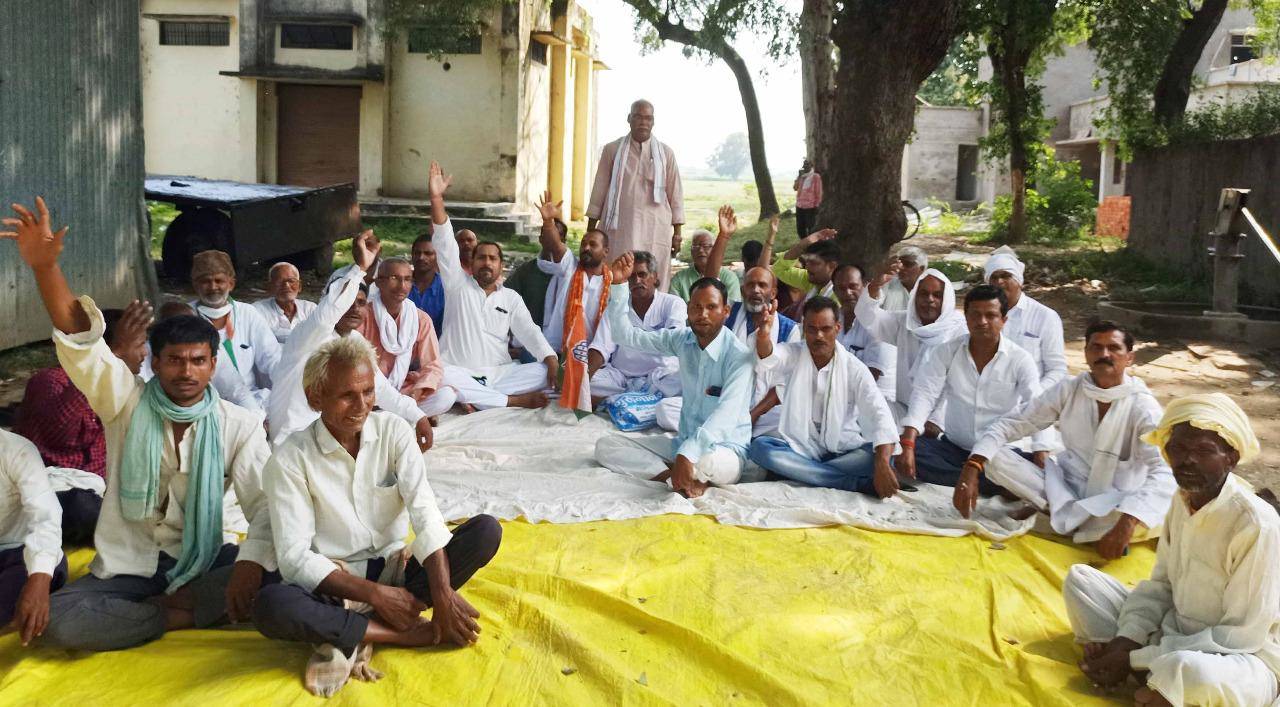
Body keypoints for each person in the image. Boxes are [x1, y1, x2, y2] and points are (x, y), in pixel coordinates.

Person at [3, 198, 275, 652]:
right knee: (63, 621)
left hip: (204, 560)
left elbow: (265, 507)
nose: (185, 372)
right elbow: (83, 346)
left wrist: (249, 563)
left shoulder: (239, 425)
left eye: (197, 362)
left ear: (212, 366)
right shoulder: (125, 402)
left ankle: (167, 610)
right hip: (128, 569)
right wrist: (44, 269)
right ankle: (175, 615)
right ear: (155, 362)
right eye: (174, 361)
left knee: (285, 568)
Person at [254, 336, 501, 697]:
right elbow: (294, 558)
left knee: (485, 531)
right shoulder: (290, 459)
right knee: (271, 605)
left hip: (396, 570)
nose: (361, 405)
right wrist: (378, 596)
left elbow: (425, 513)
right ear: (315, 398)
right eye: (346, 395)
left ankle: (357, 626)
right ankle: (399, 631)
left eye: (368, 391)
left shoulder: (394, 432)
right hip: (336, 584)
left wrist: (443, 593)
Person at [1063, 394, 1280, 707]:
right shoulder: (1182, 501)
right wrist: (1127, 640)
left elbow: (1240, 637)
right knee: (1080, 581)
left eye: (1204, 451)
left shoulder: (1256, 525)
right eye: (1178, 449)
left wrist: (1135, 656)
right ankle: (1151, 680)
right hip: (1169, 635)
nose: (1187, 460)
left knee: (1188, 670)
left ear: (1231, 458)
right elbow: (1161, 585)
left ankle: (1148, 676)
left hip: (1241, 659)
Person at [965, 322, 1175, 558]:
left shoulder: (1143, 407)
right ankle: (1072, 522)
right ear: (1086, 353)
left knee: (1155, 513)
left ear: (1129, 358)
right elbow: (1011, 424)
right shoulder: (1069, 389)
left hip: (1115, 503)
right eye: (1096, 347)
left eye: (1113, 348)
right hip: (1066, 490)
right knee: (994, 456)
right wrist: (972, 468)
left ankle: (1066, 521)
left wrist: (1127, 523)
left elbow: (1165, 472)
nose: (1104, 355)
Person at [595, 253, 753, 497]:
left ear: (726, 311)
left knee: (706, 462)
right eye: (697, 307)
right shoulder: (682, 340)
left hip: (724, 451)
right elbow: (626, 336)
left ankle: (685, 472)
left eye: (712, 307)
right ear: (688, 309)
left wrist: (687, 454)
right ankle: (672, 478)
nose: (703, 314)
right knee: (607, 446)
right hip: (682, 443)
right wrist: (617, 286)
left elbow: (725, 417)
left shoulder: (738, 357)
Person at [267, 231, 440, 449]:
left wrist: (418, 417)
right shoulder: (308, 335)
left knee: (393, 432)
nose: (354, 308)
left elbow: (382, 390)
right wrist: (359, 269)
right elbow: (327, 315)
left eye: (360, 302)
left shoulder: (356, 341)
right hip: (294, 441)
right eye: (348, 301)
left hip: (333, 436)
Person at [14, 304, 151, 546]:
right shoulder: (49, 381)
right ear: (108, 350)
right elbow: (64, 434)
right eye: (139, 345)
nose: (144, 354)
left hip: (99, 494)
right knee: (84, 509)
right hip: (55, 492)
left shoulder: (129, 388)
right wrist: (113, 357)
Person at [894, 285, 1050, 498]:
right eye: (975, 315)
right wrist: (908, 443)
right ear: (966, 318)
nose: (982, 321)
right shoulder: (946, 351)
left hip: (998, 455)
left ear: (1004, 320)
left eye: (991, 315)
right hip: (953, 449)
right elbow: (925, 395)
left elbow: (1037, 407)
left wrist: (1041, 451)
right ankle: (990, 484)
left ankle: (981, 479)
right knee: (901, 450)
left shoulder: (1020, 359)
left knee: (1041, 470)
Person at [427, 161, 558, 409]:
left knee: (541, 371)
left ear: (501, 266)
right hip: (459, 371)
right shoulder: (457, 284)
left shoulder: (510, 298)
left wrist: (550, 359)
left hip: (500, 374)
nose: (486, 262)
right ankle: (509, 401)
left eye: (492, 258)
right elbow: (444, 241)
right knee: (442, 375)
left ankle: (478, 398)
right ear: (472, 263)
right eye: (481, 257)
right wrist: (436, 198)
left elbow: (529, 332)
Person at [749, 297, 900, 498]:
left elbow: (879, 413)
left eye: (826, 329)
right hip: (800, 445)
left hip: (843, 449)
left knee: (879, 458)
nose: (818, 336)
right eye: (812, 329)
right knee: (761, 449)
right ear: (804, 329)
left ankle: (803, 472)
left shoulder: (854, 369)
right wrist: (764, 337)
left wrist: (881, 463)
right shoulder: (795, 353)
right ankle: (851, 484)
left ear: (837, 328)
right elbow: (770, 357)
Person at [655, 266, 799, 437]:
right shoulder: (725, 314)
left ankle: (723, 432)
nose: (755, 290)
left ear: (773, 292)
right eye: (750, 285)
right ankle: (728, 433)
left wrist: (752, 416)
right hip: (719, 399)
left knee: (786, 420)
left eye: (762, 285)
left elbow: (784, 385)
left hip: (761, 409)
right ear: (742, 290)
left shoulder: (789, 329)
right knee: (665, 409)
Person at [586, 99, 685, 288]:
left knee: (651, 277)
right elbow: (599, 189)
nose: (643, 122)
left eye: (648, 118)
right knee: (617, 275)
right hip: (619, 228)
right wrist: (592, 231)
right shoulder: (612, 150)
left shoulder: (666, 154)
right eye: (638, 117)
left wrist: (677, 234)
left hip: (655, 230)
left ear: (653, 122)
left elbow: (676, 195)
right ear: (629, 119)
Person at [855, 265, 966, 421]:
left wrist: (936, 421)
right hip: (904, 410)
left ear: (947, 299)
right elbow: (868, 316)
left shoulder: (960, 332)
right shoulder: (905, 323)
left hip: (944, 420)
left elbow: (960, 385)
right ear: (914, 297)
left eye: (937, 295)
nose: (930, 300)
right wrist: (875, 286)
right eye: (923, 294)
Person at [357, 257, 454, 417]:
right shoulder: (363, 315)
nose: (402, 286)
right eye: (394, 278)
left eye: (407, 279)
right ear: (379, 282)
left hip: (404, 389)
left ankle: (395, 416)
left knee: (446, 396)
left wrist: (417, 392)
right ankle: (404, 417)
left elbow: (432, 365)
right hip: (369, 390)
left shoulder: (420, 319)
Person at [587, 250, 686, 406]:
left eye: (642, 274)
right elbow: (600, 347)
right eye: (631, 277)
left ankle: (612, 401)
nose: (637, 280)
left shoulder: (673, 303)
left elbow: (675, 341)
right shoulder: (617, 305)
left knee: (683, 382)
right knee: (584, 381)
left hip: (659, 378)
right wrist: (583, 379)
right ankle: (634, 400)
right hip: (621, 377)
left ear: (655, 278)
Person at [189, 249, 281, 411]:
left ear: (231, 283)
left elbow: (272, 359)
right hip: (204, 402)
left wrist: (288, 388)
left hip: (254, 397)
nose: (213, 287)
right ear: (195, 285)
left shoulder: (248, 313)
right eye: (205, 281)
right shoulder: (185, 316)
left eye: (219, 281)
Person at [0, 429, 67, 647]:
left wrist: (38, 581)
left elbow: (46, 518)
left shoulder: (16, 450)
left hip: (19, 554)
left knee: (43, 570)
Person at [983, 246, 1067, 390]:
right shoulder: (981, 316)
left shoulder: (1045, 317)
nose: (999, 281)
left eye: (1006, 275)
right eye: (994, 277)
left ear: (1019, 281)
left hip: (1031, 403)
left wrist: (1034, 397)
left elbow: (1057, 369)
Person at [536, 191, 611, 353]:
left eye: (593, 244)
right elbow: (555, 245)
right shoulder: (570, 266)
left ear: (606, 251)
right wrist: (548, 222)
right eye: (583, 243)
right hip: (558, 351)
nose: (586, 248)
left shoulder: (612, 281)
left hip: (595, 355)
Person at [832, 264, 896, 405]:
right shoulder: (832, 321)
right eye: (841, 288)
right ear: (834, 291)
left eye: (853, 286)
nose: (847, 293)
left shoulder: (881, 324)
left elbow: (871, 378)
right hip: (842, 399)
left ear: (865, 286)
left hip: (879, 404)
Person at [668, 206, 742, 304]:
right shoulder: (679, 279)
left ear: (714, 249)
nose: (701, 250)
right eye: (696, 246)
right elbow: (675, 309)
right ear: (691, 251)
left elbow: (732, 308)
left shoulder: (729, 277)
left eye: (706, 246)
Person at [773, 229, 842, 317]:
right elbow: (779, 269)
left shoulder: (841, 292)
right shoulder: (810, 279)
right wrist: (802, 245)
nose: (807, 267)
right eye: (807, 262)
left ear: (832, 266)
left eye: (813, 263)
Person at [253, 262, 316, 344]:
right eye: (279, 281)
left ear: (299, 286)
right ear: (269, 286)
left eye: (291, 281)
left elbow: (323, 332)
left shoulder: (310, 308)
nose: (286, 285)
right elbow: (262, 338)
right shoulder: (257, 310)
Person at [408, 233, 446, 333]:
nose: (421, 257)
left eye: (428, 253)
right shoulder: (401, 284)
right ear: (412, 255)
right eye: (417, 253)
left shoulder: (446, 289)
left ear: (438, 256)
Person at [880, 246, 928, 312]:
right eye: (900, 264)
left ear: (921, 269)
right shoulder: (887, 283)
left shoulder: (930, 290)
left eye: (908, 264)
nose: (901, 268)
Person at [793, 158, 823, 238]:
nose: (805, 166)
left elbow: (818, 192)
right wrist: (799, 177)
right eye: (804, 164)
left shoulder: (816, 177)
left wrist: (817, 205)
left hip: (810, 207)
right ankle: (803, 244)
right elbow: (795, 188)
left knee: (810, 227)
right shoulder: (802, 177)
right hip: (799, 206)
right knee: (800, 228)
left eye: (807, 164)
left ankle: (811, 245)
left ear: (811, 165)